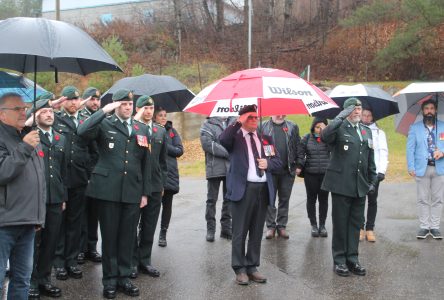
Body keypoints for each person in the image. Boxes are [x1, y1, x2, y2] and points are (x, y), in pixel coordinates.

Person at [77, 89, 152, 299]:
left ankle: (124, 278)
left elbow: (146, 164)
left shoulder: (141, 129)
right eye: (123, 104)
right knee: (109, 237)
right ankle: (109, 280)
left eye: (130, 104)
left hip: (132, 190)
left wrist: (145, 192)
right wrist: (103, 111)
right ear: (115, 105)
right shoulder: (104, 123)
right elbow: (82, 132)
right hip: (107, 190)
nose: (127, 107)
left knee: (127, 238)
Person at [220, 105, 282, 285]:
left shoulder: (266, 139)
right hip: (243, 190)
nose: (254, 120)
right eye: (250, 117)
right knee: (239, 231)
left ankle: (252, 265)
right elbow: (222, 139)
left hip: (262, 190)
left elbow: (278, 161)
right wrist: (238, 122)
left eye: (256, 117)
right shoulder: (235, 137)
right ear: (242, 119)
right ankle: (239, 268)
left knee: (256, 230)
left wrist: (267, 164)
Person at [321, 97, 377, 277]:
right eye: (353, 109)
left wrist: (372, 180)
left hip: (359, 186)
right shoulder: (338, 129)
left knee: (355, 224)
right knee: (340, 224)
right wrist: (339, 117)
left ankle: (352, 259)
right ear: (346, 111)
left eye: (359, 108)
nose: (357, 111)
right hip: (341, 186)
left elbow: (369, 158)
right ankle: (339, 261)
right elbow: (324, 136)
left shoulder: (366, 130)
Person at [0, 93, 46, 300]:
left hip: (28, 222)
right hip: (5, 222)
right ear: (2, 114)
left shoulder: (28, 135)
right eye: (17, 109)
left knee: (22, 279)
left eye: (24, 108)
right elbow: (3, 172)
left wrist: (39, 215)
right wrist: (26, 147)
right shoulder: (15, 140)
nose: (23, 112)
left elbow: (39, 179)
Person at [52, 86, 94, 280]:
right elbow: (32, 118)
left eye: (76, 100)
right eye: (69, 100)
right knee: (59, 222)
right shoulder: (55, 119)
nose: (73, 103)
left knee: (75, 222)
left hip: (79, 179)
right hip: (60, 179)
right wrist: (51, 106)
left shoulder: (87, 121)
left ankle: (71, 261)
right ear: (63, 102)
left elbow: (94, 150)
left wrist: (89, 172)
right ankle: (59, 262)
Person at [25, 99, 66, 299]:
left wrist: (63, 196)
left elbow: (63, 171)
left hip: (56, 198)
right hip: (35, 199)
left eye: (51, 111)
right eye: (44, 112)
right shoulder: (29, 136)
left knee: (51, 241)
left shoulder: (60, 138)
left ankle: (44, 279)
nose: (49, 114)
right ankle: (31, 281)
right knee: (33, 242)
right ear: (36, 116)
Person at [132, 96, 167, 278]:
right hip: (136, 185)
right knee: (131, 226)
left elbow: (163, 162)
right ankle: (131, 261)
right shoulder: (132, 129)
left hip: (154, 186)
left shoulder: (160, 132)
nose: (148, 111)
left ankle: (145, 260)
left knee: (149, 225)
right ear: (137, 109)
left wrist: (162, 183)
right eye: (145, 108)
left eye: (151, 108)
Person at [407, 98, 444, 240]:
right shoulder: (414, 128)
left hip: (439, 168)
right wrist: (410, 166)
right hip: (421, 168)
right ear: (423, 111)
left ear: (435, 111)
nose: (429, 111)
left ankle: (434, 227)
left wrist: (442, 152)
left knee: (437, 199)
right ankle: (424, 226)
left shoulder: (442, 127)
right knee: (422, 199)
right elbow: (410, 149)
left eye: (432, 108)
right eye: (426, 108)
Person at [262, 115, 299, 239]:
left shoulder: (293, 126)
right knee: (270, 199)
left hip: (287, 171)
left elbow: (297, 146)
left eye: (282, 111)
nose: (280, 114)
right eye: (277, 111)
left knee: (284, 199)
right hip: (270, 171)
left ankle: (281, 226)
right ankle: (271, 226)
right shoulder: (263, 126)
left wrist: (298, 164)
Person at [200, 116, 235, 242]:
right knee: (211, 200)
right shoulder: (207, 124)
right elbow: (207, 144)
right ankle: (211, 229)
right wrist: (227, 152)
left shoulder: (235, 123)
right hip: (214, 168)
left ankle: (226, 229)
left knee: (229, 199)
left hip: (230, 168)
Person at [78, 87, 102, 264]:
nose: (95, 102)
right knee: (80, 212)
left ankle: (92, 247)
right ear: (84, 100)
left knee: (94, 212)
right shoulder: (80, 118)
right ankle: (80, 248)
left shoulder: (102, 118)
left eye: (97, 99)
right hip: (80, 171)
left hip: (96, 171)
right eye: (91, 99)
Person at [296, 117, 330, 238]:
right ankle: (314, 225)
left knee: (324, 200)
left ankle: (322, 225)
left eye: (322, 127)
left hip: (326, 175)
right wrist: (299, 165)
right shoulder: (306, 138)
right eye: (317, 127)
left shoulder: (329, 139)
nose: (320, 129)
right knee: (311, 199)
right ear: (313, 127)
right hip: (311, 174)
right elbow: (300, 153)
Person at [360, 108, 388, 242]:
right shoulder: (356, 129)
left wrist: (382, 171)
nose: (365, 118)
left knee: (372, 200)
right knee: (359, 201)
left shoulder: (379, 133)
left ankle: (369, 228)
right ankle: (359, 227)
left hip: (373, 172)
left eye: (368, 115)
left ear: (372, 117)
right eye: (363, 115)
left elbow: (383, 152)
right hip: (359, 172)